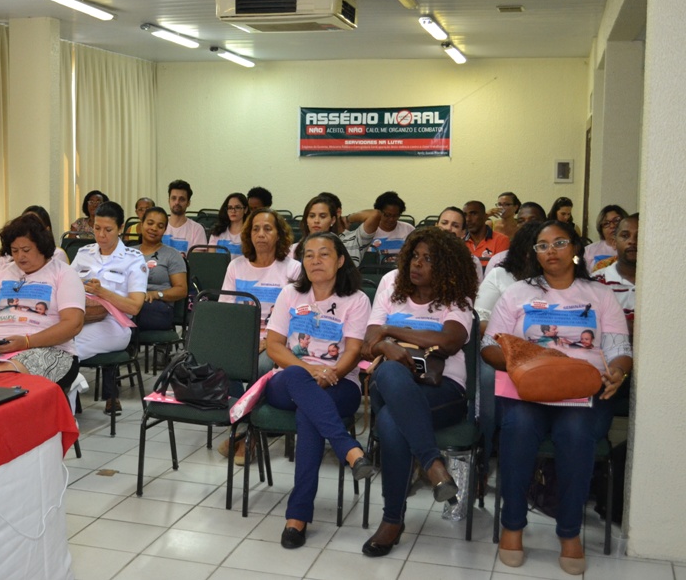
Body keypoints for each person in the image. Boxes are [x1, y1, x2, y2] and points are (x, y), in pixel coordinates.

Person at [481, 220, 631, 575]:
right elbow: (489, 346)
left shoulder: (600, 295)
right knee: (518, 429)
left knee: (576, 434)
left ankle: (569, 532)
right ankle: (512, 525)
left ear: (575, 248)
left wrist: (617, 372)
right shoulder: (517, 293)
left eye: (560, 242)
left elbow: (620, 349)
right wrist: (524, 362)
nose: (551, 251)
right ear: (534, 253)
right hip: (528, 389)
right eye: (543, 245)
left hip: (582, 391)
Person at [359, 227, 479, 557]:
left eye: (428, 259)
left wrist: (391, 332)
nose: (417, 263)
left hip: (443, 390)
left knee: (390, 421)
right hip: (389, 386)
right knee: (392, 370)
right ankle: (432, 463)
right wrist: (385, 345)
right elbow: (369, 343)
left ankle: (392, 520)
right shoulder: (390, 284)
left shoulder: (457, 297)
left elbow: (450, 340)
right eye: (415, 256)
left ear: (447, 267)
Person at [263, 232, 374, 549]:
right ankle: (349, 449)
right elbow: (274, 346)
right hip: (289, 380)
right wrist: (310, 370)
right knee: (297, 377)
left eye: (324, 254)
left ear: (340, 261)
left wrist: (332, 373)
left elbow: (353, 351)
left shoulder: (356, 300)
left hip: (340, 383)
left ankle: (297, 517)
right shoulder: (290, 294)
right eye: (308, 255)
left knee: (308, 413)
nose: (315, 261)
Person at [219, 208, 301, 463]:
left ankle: (246, 435)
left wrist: (266, 342)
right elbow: (226, 312)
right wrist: (245, 341)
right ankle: (246, 426)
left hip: (279, 341)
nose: (261, 234)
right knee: (221, 362)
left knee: (262, 365)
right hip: (243, 337)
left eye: (267, 229)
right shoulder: (236, 266)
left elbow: (300, 316)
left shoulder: (293, 269)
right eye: (255, 229)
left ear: (279, 234)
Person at [0, 214, 84, 390]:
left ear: (41, 246)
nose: (20, 256)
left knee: (2, 378)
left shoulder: (63, 273)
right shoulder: (3, 271)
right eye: (14, 250)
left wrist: (27, 342)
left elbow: (73, 324)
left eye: (26, 250)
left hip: (48, 349)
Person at [70, 201, 147, 414]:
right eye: (97, 228)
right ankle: (67, 398)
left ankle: (68, 408)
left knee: (68, 348)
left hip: (115, 325)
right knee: (57, 342)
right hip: (81, 318)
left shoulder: (133, 259)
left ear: (120, 228)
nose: (101, 235)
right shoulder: (84, 253)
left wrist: (102, 292)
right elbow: (64, 286)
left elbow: (135, 306)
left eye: (108, 230)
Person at [474, 221, 543, 334]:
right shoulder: (500, 275)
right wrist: (512, 339)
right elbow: (480, 321)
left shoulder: (559, 279)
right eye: (540, 247)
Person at [135, 207, 188, 331]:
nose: (154, 228)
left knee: (128, 311)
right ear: (141, 224)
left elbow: (182, 290)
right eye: (150, 223)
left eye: (160, 226)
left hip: (158, 308)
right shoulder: (129, 252)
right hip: (130, 300)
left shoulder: (172, 255)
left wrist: (157, 294)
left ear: (164, 230)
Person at [594, 213, 637, 335]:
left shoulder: (661, 283)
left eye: (639, 236)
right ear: (614, 242)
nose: (632, 241)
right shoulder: (595, 283)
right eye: (625, 236)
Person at [351, 191, 413, 263]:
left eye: (395, 216)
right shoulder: (366, 230)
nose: (391, 219)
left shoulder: (408, 229)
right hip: (373, 269)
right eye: (387, 215)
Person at [435, 206, 484, 282]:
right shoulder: (422, 255)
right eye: (444, 223)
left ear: (463, 233)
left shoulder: (472, 262)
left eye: (455, 226)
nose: (448, 228)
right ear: (436, 226)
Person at [162, 179, 207, 255]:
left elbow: (196, 260)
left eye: (182, 199)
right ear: (168, 200)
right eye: (173, 198)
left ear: (188, 203)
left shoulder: (197, 229)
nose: (177, 202)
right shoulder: (159, 225)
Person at [290, 194, 341, 259]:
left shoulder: (340, 248)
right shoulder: (292, 250)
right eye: (312, 216)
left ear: (333, 220)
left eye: (322, 216)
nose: (316, 221)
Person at [463, 200, 510, 269]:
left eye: (473, 214)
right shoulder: (460, 241)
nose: (468, 219)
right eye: (465, 215)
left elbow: (500, 271)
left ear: (485, 217)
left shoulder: (501, 240)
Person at [584, 204, 628, 271]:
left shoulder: (633, 248)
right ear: (601, 229)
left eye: (616, 221)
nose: (612, 226)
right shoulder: (589, 250)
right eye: (606, 223)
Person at [208, 192, 248, 258]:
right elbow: (211, 259)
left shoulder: (250, 233)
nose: (233, 211)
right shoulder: (217, 232)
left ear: (245, 210)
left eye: (237, 207)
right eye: (230, 207)